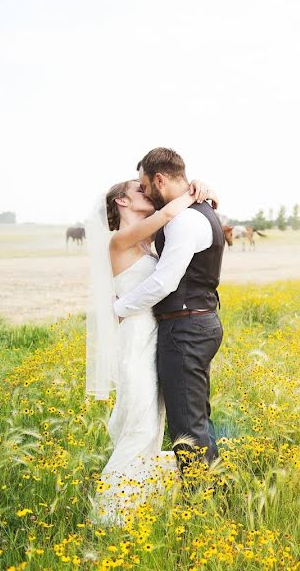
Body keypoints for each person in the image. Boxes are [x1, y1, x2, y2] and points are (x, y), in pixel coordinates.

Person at [85, 172, 217, 525]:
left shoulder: (147, 244)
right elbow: (166, 215)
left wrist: (203, 191)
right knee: (141, 426)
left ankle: (133, 501)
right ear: (122, 202)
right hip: (135, 342)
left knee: (152, 426)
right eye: (137, 190)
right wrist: (194, 191)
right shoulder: (120, 240)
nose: (145, 192)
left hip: (157, 338)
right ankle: (109, 516)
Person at [113, 147, 226, 475]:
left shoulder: (186, 219)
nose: (145, 191)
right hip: (193, 323)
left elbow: (164, 282)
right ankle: (213, 489)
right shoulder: (192, 211)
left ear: (160, 179)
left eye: (145, 185)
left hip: (186, 328)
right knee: (195, 417)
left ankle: (198, 499)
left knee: (187, 425)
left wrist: (119, 308)